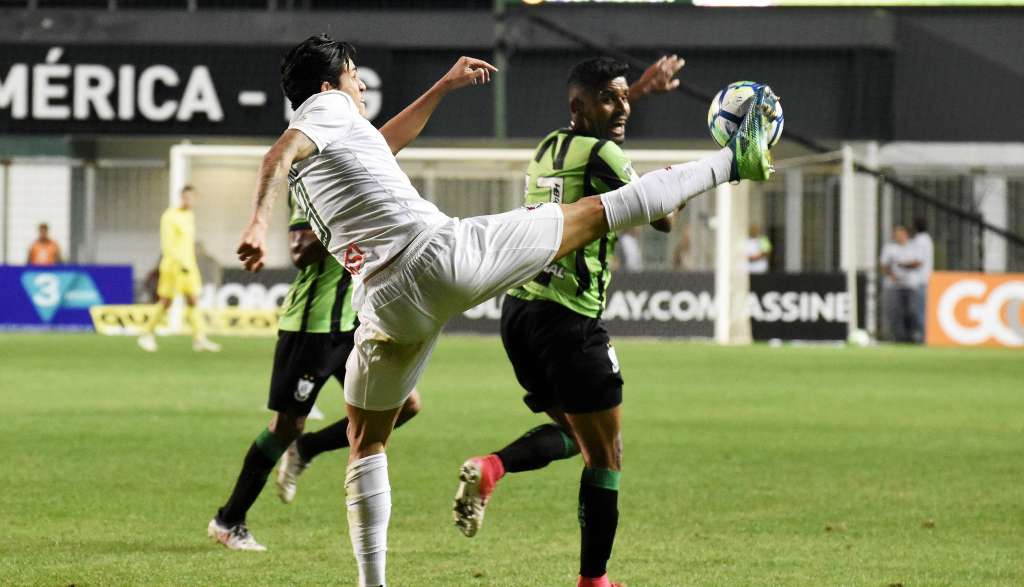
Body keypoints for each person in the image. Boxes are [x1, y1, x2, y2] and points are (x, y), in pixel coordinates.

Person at [235, 34, 775, 587]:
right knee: (597, 212)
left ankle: (371, 583)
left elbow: (381, 141)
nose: (360, 84)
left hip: (384, 303)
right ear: (329, 86)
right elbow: (277, 153)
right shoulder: (325, 109)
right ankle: (735, 160)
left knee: (366, 442)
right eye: (353, 75)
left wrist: (443, 86)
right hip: (439, 258)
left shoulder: (338, 137)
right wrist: (257, 222)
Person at [451, 55, 683, 587]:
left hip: (520, 314)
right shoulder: (604, 153)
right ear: (581, 105)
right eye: (613, 98)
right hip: (570, 322)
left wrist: (632, 96)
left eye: (625, 97)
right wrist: (698, 174)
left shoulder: (549, 146)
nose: (622, 107)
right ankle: (593, 580)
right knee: (607, 454)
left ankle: (492, 467)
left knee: (575, 435)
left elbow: (594, 133)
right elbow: (664, 217)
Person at [207, 185, 422, 551]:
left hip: (354, 324)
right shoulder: (317, 186)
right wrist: (356, 225)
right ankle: (228, 521)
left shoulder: (362, 181)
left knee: (405, 405)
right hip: (311, 327)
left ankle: (307, 449)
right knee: (285, 427)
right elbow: (300, 253)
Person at [137, 186, 221, 352]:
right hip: (173, 266)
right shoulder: (170, 216)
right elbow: (168, 244)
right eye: (186, 198)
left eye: (192, 198)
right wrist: (179, 263)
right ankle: (146, 334)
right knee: (166, 302)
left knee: (193, 300)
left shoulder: (189, 215)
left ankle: (199, 339)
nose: (188, 201)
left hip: (189, 266)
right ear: (181, 197)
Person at [879, 225, 919, 342]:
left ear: (906, 235)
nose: (898, 237)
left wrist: (903, 265)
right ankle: (898, 337)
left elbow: (918, 262)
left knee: (912, 311)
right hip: (893, 285)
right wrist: (892, 275)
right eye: (896, 235)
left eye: (900, 234)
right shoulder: (890, 248)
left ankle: (912, 335)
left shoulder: (914, 247)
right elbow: (884, 265)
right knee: (895, 312)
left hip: (911, 284)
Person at [905, 217, 934, 341]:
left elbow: (918, 262)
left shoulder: (921, 240)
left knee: (918, 311)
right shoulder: (926, 239)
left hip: (920, 281)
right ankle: (920, 336)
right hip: (922, 280)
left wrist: (902, 265)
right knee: (918, 310)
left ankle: (923, 337)